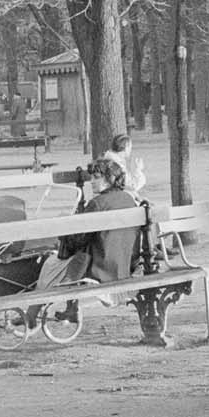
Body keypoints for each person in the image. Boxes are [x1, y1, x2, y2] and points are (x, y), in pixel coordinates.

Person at [32, 158, 145, 322]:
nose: (91, 182)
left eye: (96, 177)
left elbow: (78, 241)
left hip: (100, 270)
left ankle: (31, 315)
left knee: (50, 263)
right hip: (123, 267)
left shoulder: (97, 204)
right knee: (72, 257)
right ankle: (70, 309)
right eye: (91, 177)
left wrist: (63, 232)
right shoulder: (128, 199)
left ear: (110, 179)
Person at [103, 131, 146, 196]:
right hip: (116, 198)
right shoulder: (116, 165)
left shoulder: (110, 160)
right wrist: (138, 170)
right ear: (126, 147)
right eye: (130, 147)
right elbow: (132, 186)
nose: (130, 150)